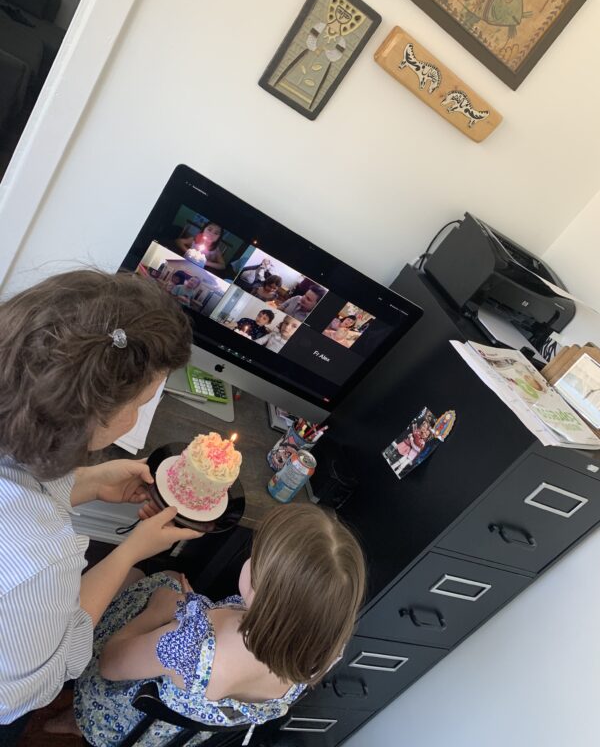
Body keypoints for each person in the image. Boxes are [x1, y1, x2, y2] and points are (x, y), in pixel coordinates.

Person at [0, 269, 202, 741]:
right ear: (91, 415)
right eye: (142, 403)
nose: (139, 416)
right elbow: (40, 680)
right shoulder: (43, 560)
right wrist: (131, 551)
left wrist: (87, 482)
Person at [49, 504, 366, 746]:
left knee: (147, 580)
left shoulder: (192, 644)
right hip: (172, 733)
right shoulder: (318, 657)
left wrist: (158, 611)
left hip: (118, 717)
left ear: (260, 592)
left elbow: (110, 664)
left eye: (255, 557)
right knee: (174, 581)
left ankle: (77, 719)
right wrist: (193, 611)